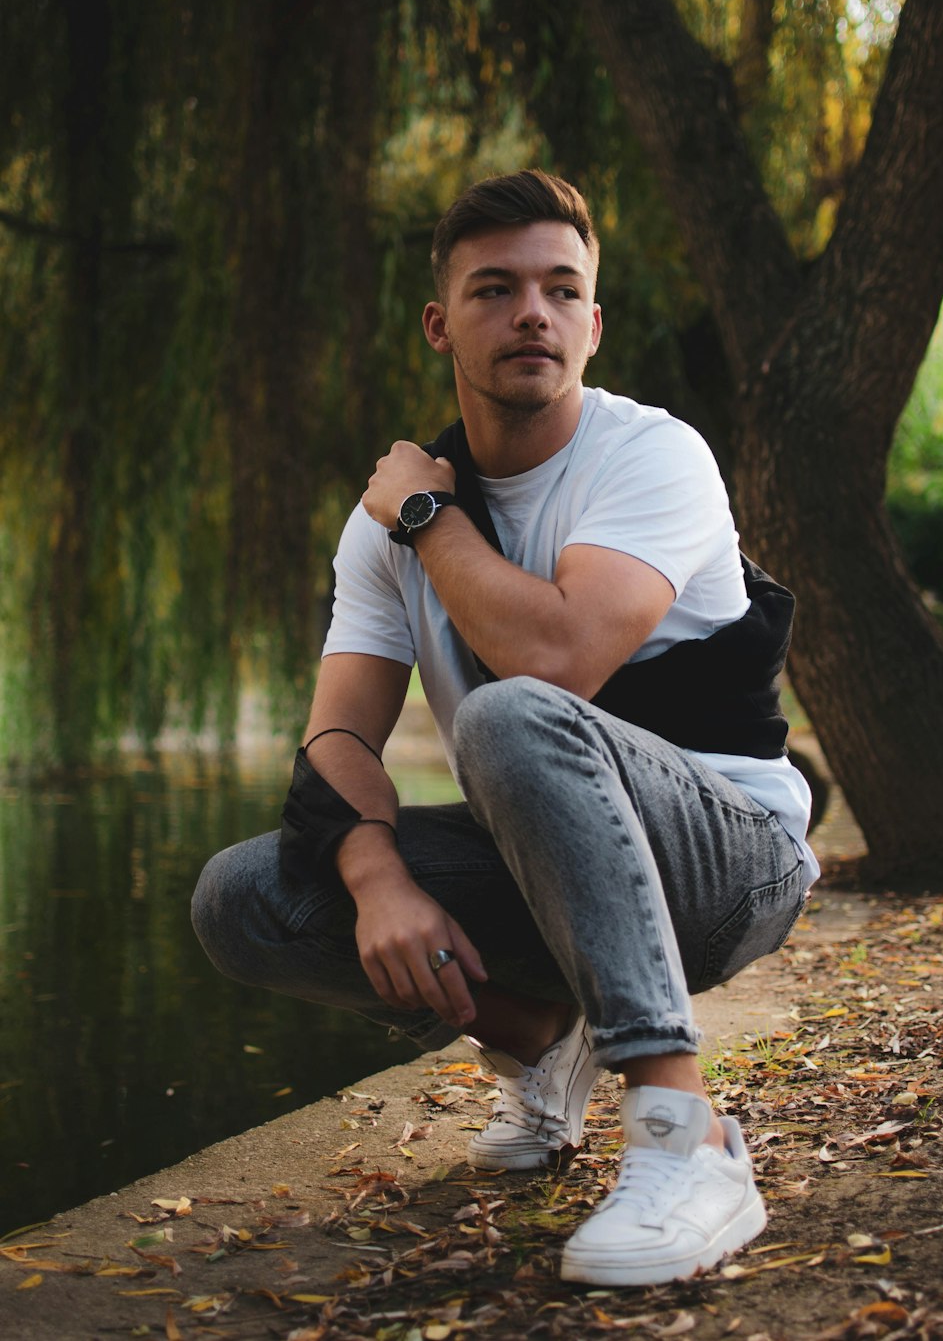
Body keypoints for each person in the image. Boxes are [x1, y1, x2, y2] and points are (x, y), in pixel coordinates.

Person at [192, 169, 817, 1287]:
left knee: (511, 712)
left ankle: (688, 1140)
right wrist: (379, 878)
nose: (531, 310)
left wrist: (428, 518)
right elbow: (336, 740)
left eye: (558, 288)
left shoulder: (648, 455)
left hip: (730, 863)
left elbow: (559, 659)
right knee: (248, 899)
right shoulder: (383, 520)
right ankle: (540, 1035)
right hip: (550, 860)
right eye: (494, 289)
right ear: (442, 325)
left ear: (590, 321)